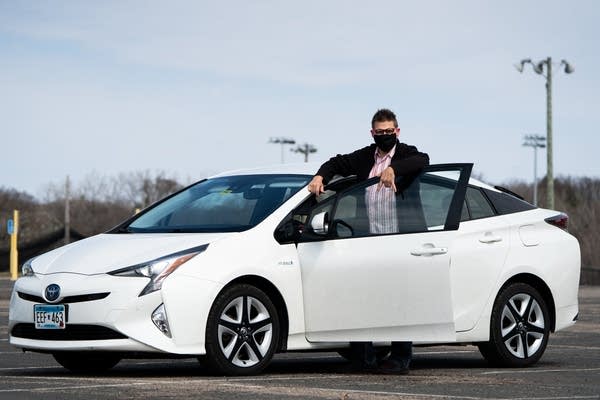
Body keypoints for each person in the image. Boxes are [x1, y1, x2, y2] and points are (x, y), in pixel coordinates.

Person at [307, 108, 429, 375]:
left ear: (397, 132)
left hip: (400, 241)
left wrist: (393, 169)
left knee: (399, 300)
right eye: (380, 132)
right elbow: (336, 163)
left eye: (389, 132)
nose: (385, 136)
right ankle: (364, 357)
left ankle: (400, 358)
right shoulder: (365, 157)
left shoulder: (408, 153)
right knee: (362, 297)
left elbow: (422, 161)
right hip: (367, 241)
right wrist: (320, 176)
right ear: (372, 133)